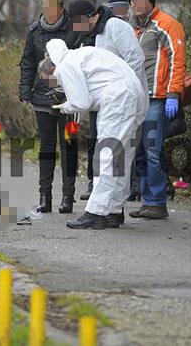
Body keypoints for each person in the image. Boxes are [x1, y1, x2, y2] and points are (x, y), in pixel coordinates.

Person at [39, 40, 147, 229]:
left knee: (106, 156)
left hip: (118, 98)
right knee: (121, 157)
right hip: (133, 93)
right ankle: (113, 210)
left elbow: (81, 103)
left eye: (48, 79)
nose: (51, 84)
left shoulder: (64, 66)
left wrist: (62, 107)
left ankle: (95, 212)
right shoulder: (78, 56)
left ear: (52, 69)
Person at [68, 0, 147, 205]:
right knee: (114, 156)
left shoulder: (115, 27)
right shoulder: (91, 35)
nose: (76, 29)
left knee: (112, 155)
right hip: (109, 102)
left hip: (123, 100)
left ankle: (102, 209)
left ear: (90, 16)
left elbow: (135, 60)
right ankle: (114, 208)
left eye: (77, 23)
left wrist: (128, 96)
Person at [128, 0, 186, 219]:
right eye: (133, 0)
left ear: (151, 1)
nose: (136, 4)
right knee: (140, 151)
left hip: (159, 98)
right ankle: (147, 199)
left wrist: (173, 94)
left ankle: (157, 202)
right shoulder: (134, 29)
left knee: (153, 150)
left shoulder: (167, 24)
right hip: (140, 99)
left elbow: (178, 61)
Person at [19, 0, 78, 214]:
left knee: (68, 144)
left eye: (53, 7)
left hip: (68, 97)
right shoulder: (34, 31)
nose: (49, 11)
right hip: (42, 98)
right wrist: (25, 90)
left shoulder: (74, 29)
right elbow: (28, 62)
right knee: (46, 146)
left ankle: (68, 197)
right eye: (45, 7)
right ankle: (45, 196)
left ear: (61, 9)